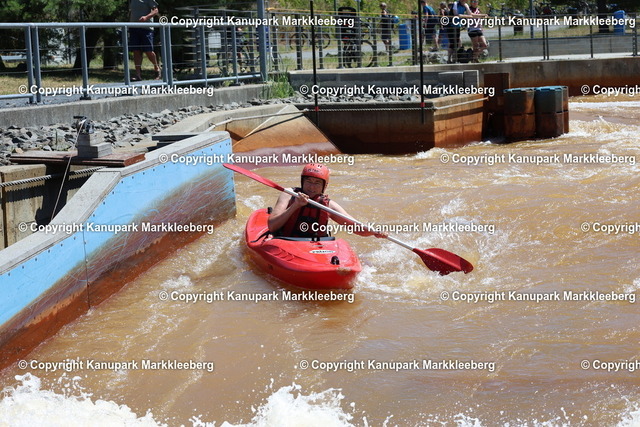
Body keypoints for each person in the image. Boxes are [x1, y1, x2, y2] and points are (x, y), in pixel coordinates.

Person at [268, 164, 385, 239]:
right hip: (285, 239)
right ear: (302, 182)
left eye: (317, 183)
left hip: (314, 245)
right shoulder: (288, 194)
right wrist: (295, 205)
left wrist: (374, 232)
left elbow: (356, 228)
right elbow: (272, 226)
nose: (312, 187)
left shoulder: (329, 205)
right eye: (308, 181)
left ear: (324, 186)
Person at [129, 0, 161, 81]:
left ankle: (156, 68)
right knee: (136, 51)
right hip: (134, 28)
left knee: (148, 51)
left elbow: (155, 10)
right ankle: (138, 75)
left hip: (146, 28)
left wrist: (146, 17)